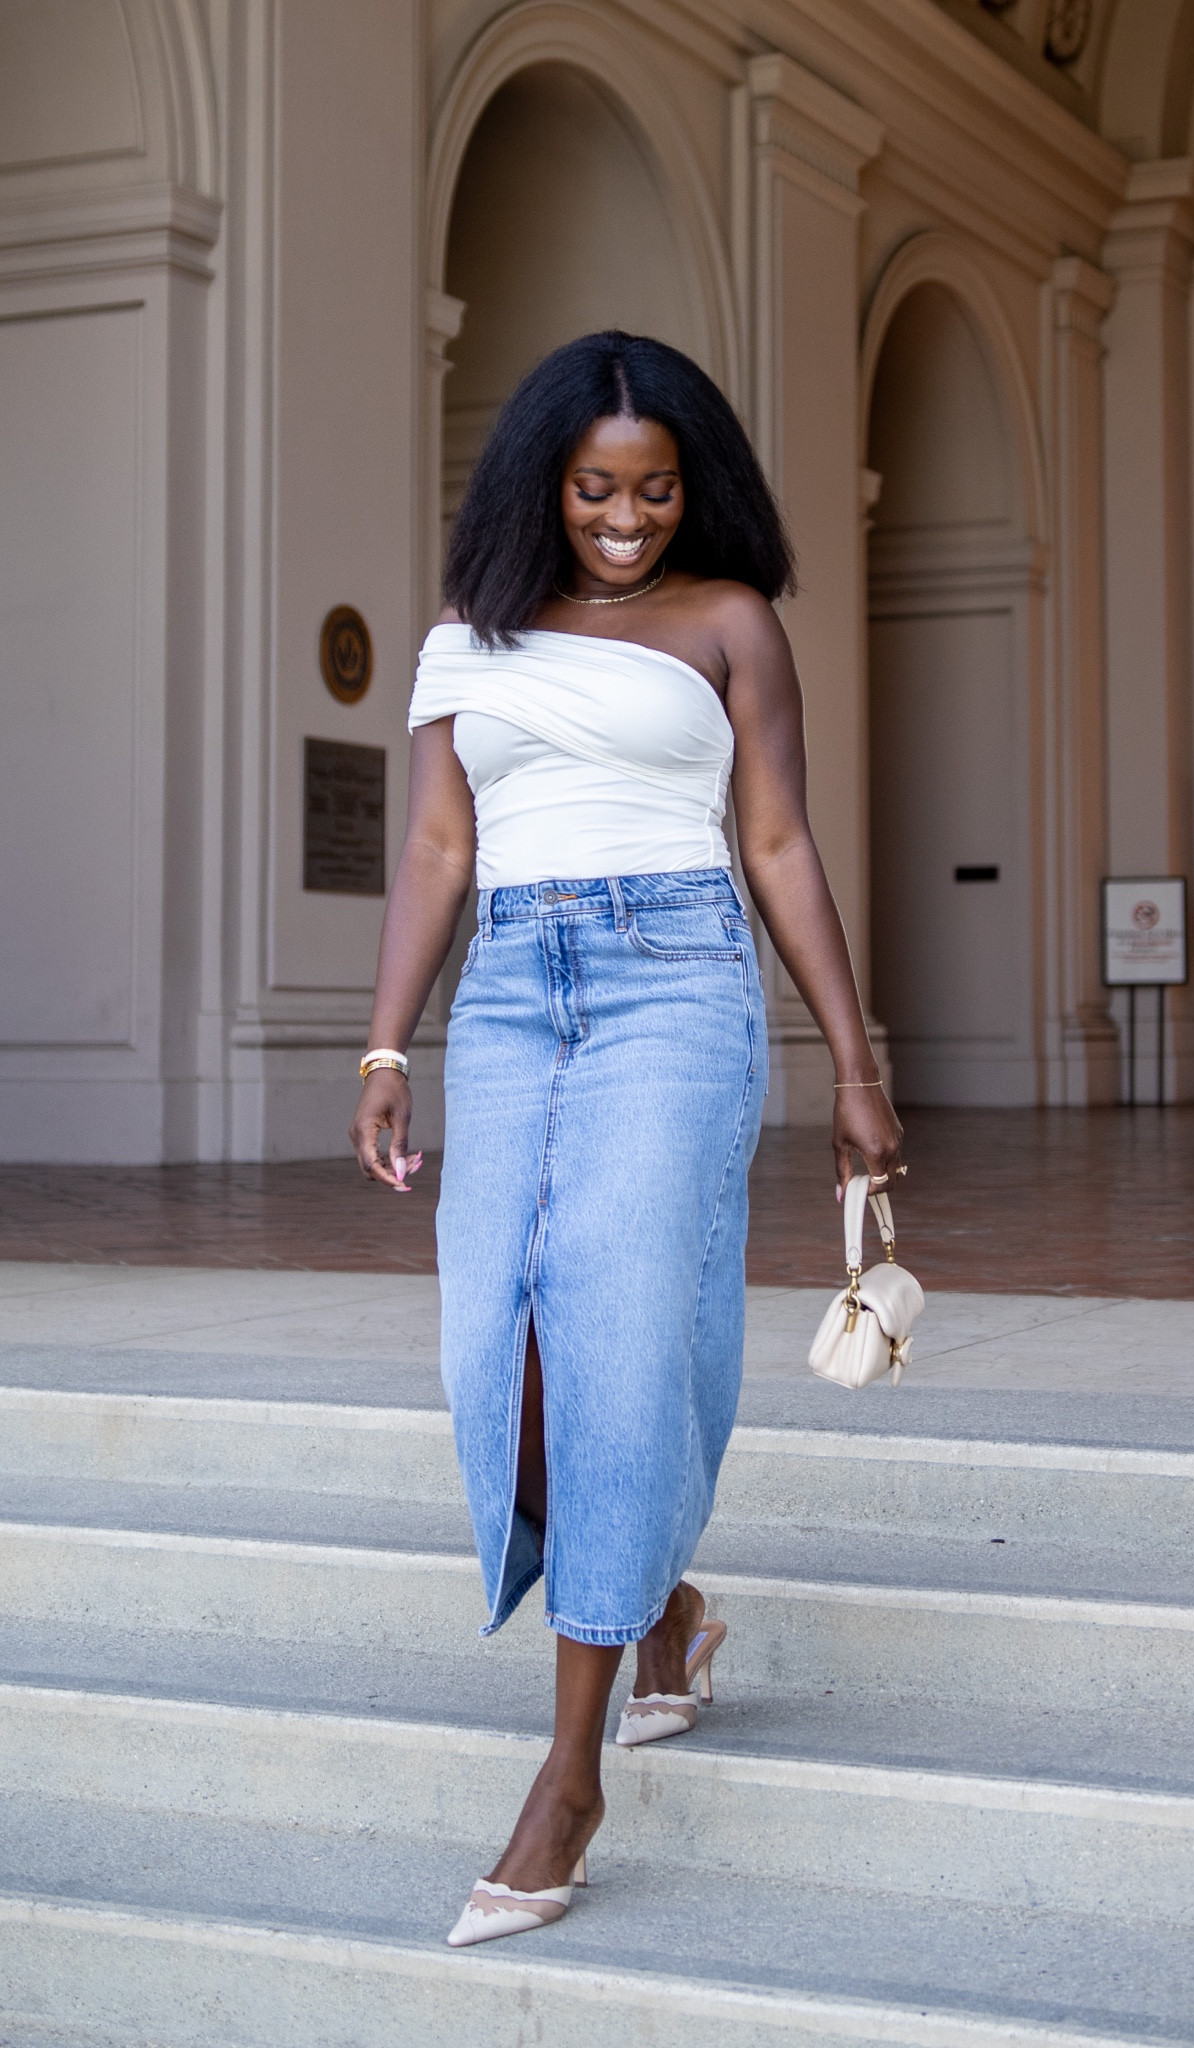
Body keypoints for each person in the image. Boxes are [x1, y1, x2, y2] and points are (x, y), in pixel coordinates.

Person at [349, 330, 902, 1948]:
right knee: (495, 1353)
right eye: (596, 487)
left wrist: (853, 1068)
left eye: (656, 490)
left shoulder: (728, 622)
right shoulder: (465, 638)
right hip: (510, 992)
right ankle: (663, 1604)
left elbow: (778, 842)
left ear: (692, 488)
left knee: (609, 1332)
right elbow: (436, 848)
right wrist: (385, 1045)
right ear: (544, 481)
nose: (624, 517)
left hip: (675, 981)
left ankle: (568, 1780)